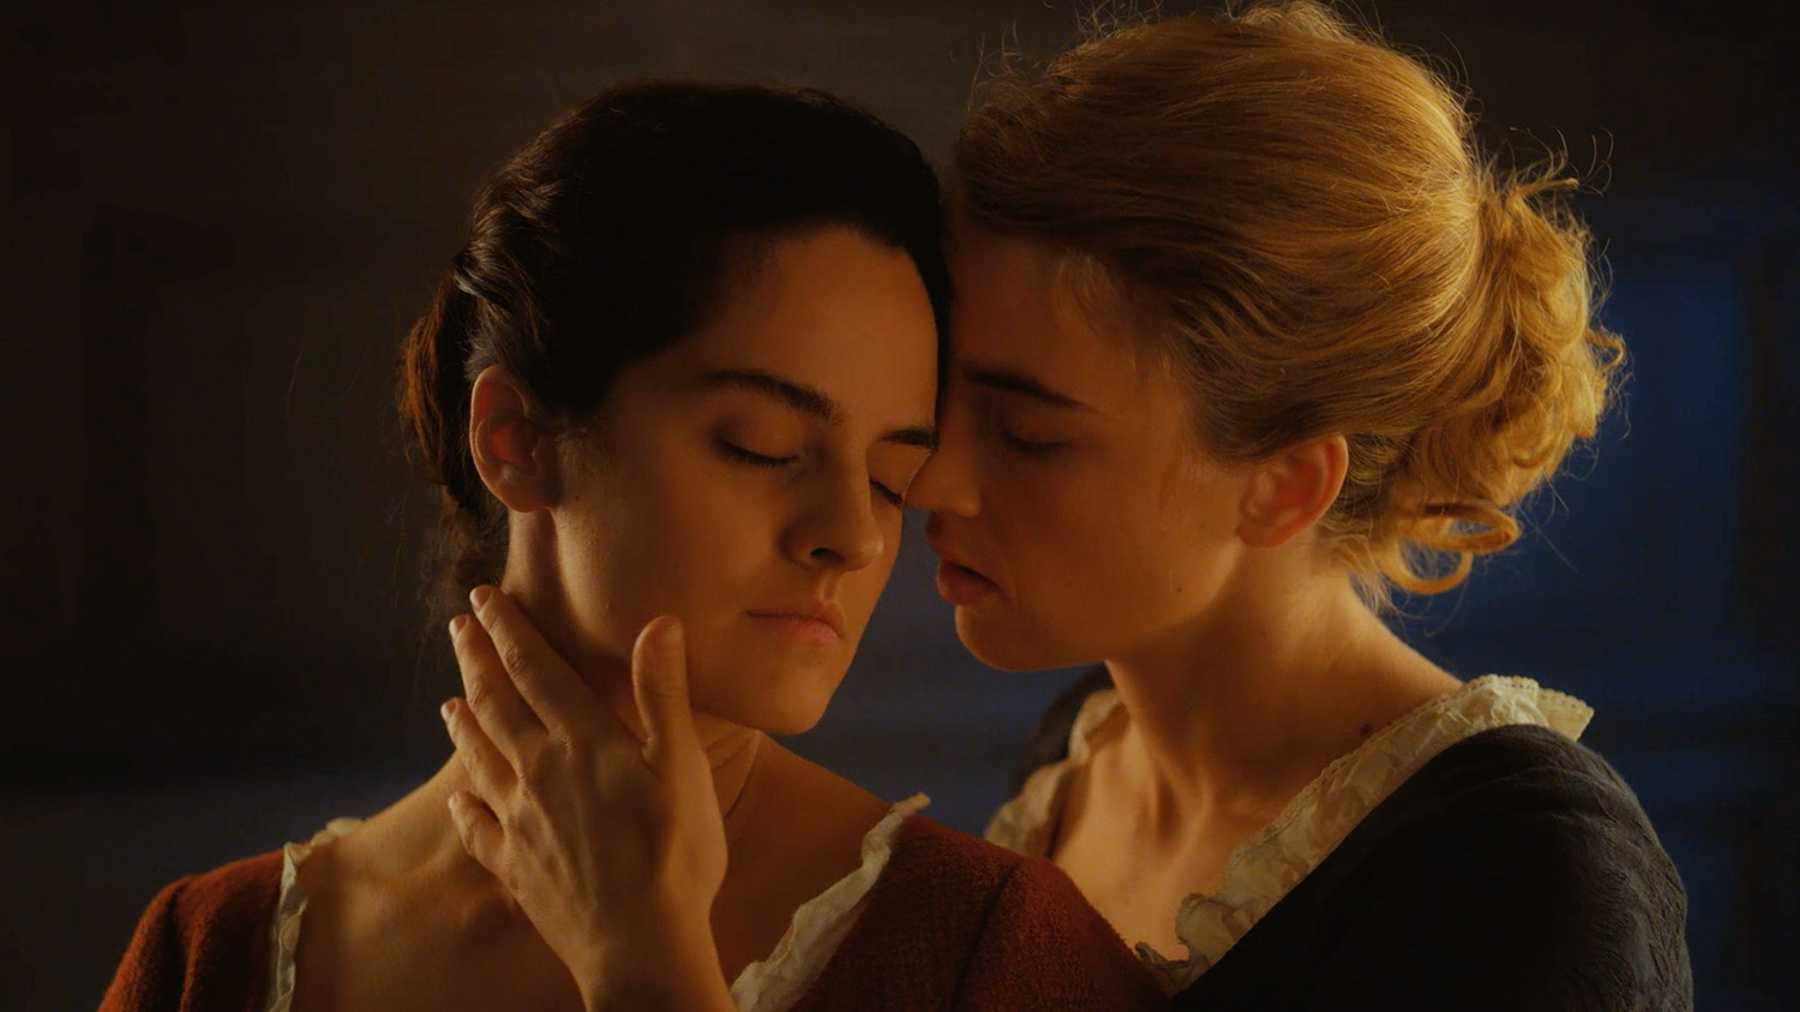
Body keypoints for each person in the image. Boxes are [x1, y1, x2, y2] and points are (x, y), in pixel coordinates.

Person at [439, 3, 1694, 1010]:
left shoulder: (1526, 878)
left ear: (1283, 483)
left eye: (1031, 432)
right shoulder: (1076, 761)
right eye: (946, 406)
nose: (926, 486)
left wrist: (645, 966)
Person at [99, 81, 1165, 1012]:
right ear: (515, 441)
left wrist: (645, 968)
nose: (851, 535)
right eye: (761, 445)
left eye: (891, 479)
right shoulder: (216, 953)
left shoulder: (993, 950)